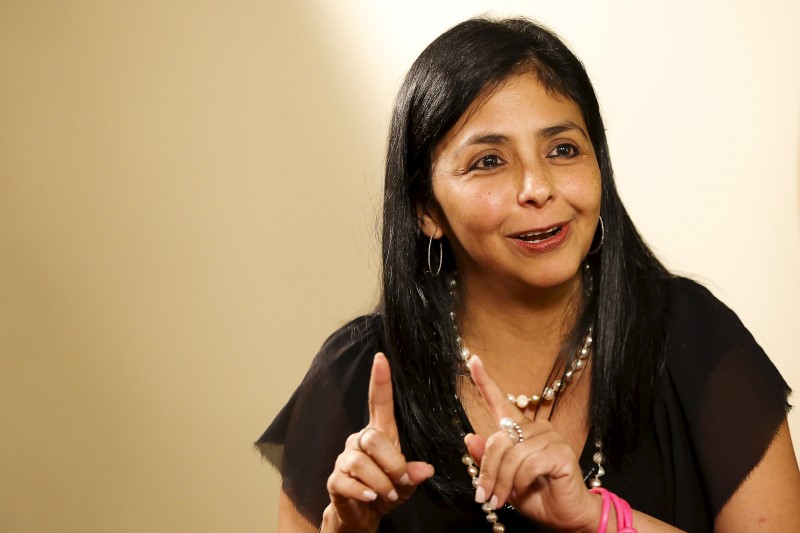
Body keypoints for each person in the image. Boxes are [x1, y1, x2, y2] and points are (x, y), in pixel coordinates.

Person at [256, 16, 800, 532]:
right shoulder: (354, 377)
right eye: (489, 161)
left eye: (563, 150)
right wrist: (348, 529)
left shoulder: (696, 340)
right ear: (426, 209)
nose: (537, 187)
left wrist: (596, 519)